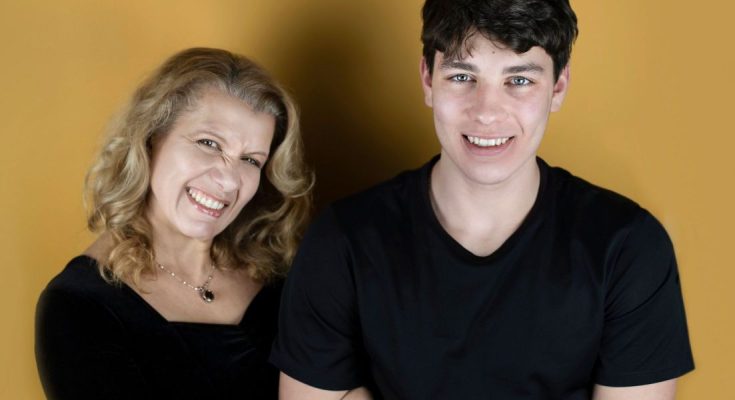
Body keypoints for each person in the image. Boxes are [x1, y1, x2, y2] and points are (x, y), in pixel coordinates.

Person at [270, 0, 694, 399]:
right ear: (427, 79)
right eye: (462, 77)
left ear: (559, 86)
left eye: (519, 80)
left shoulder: (628, 248)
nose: (487, 112)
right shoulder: (342, 241)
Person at [35, 47, 312, 399]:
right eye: (209, 143)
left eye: (251, 160)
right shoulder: (79, 307)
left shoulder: (278, 272)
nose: (229, 181)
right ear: (150, 138)